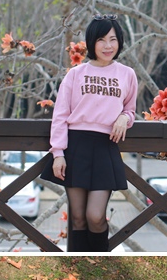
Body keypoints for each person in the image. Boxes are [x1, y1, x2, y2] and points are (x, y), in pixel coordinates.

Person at [44, 14, 137, 252]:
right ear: (91, 42)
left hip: (105, 146)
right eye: (102, 40)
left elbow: (131, 109)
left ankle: (101, 264)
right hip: (75, 146)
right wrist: (58, 153)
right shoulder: (75, 74)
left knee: (95, 216)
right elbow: (60, 115)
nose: (108, 46)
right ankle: (79, 269)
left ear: (120, 42)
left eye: (113, 40)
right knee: (77, 218)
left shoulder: (127, 74)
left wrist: (125, 118)